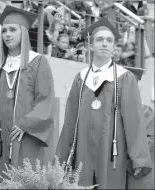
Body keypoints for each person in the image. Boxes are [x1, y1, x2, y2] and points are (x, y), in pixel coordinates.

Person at [55, 17, 152, 189]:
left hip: (112, 153)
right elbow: (70, 121)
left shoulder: (124, 78)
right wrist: (61, 157)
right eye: (99, 39)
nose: (104, 44)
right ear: (91, 45)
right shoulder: (80, 79)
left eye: (109, 40)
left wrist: (139, 158)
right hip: (83, 152)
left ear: (114, 46)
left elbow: (133, 121)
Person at [0, 5, 55, 189]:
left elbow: (45, 101)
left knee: (24, 181)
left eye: (13, 30)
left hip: (25, 138)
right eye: (4, 31)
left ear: (24, 33)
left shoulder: (38, 62)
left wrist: (26, 124)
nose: (7, 34)